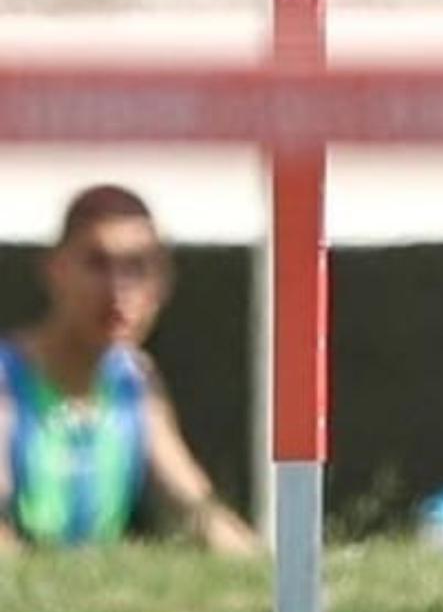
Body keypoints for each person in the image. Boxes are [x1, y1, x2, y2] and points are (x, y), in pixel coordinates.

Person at [0, 184, 261, 555]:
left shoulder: (133, 380)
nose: (117, 290)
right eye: (97, 264)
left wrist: (273, 578)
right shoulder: (8, 379)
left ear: (162, 285)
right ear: (54, 270)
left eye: (137, 268)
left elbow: (198, 509)